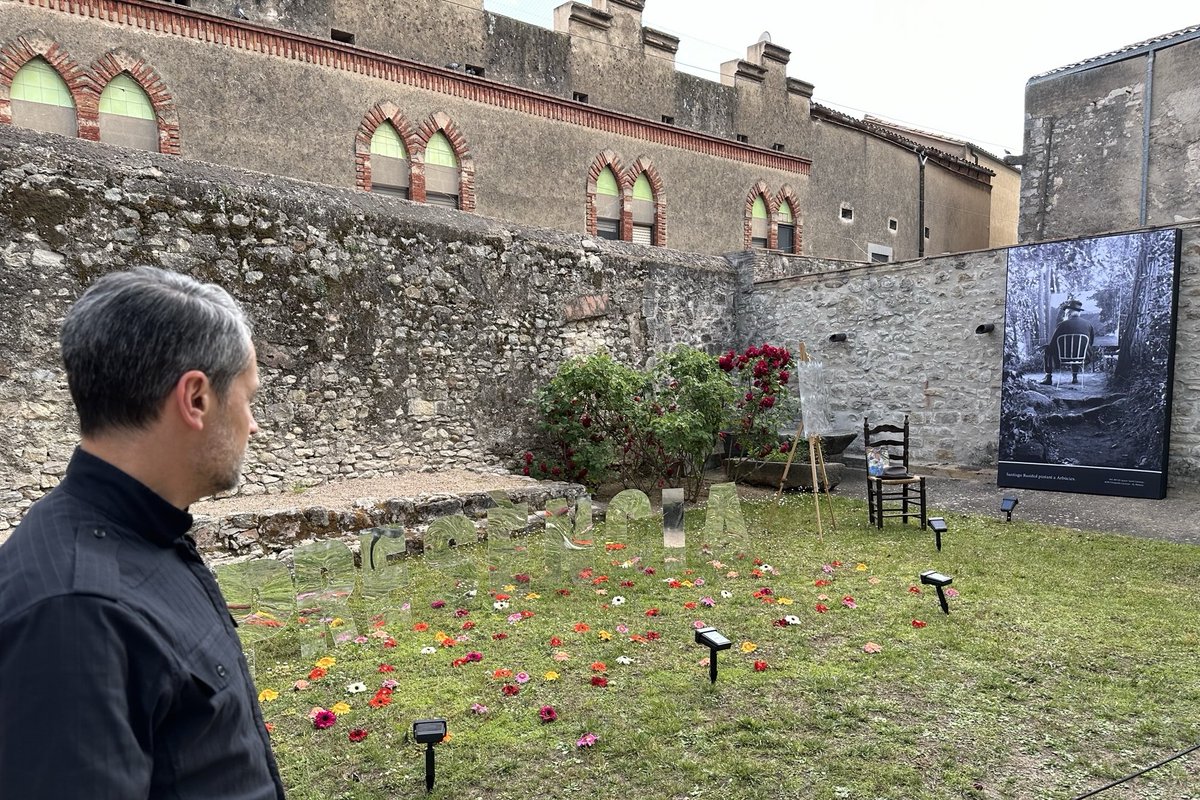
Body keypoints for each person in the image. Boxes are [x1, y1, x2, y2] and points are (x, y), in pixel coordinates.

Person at [0, 267, 286, 799]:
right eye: (249, 399)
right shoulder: (74, 613)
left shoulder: (148, 536)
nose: (253, 425)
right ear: (196, 399)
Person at [1041, 299, 1096, 385]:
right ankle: (1075, 377)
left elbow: (1053, 344)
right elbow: (1091, 342)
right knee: (1077, 349)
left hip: (1064, 357)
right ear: (1079, 313)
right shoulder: (1088, 324)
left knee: (1048, 350)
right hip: (1083, 356)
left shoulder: (1062, 324)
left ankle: (1048, 377)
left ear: (1069, 313)